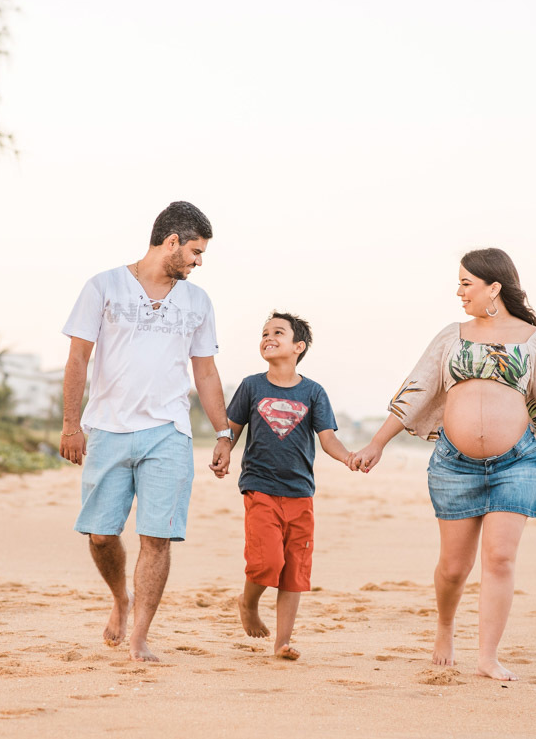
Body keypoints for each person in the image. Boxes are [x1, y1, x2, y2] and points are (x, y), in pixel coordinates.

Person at [349, 248, 536, 681]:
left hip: (516, 464)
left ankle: (487, 656)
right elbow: (416, 390)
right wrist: (377, 444)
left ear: (494, 287)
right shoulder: (451, 335)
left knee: (500, 559)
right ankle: (445, 625)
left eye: (466, 283)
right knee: (454, 568)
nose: (458, 292)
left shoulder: (535, 340)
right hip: (455, 465)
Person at [59, 201, 234, 663]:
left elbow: (207, 372)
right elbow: (78, 359)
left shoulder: (198, 301)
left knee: (157, 537)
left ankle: (140, 635)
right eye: (196, 251)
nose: (199, 262)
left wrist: (223, 433)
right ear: (171, 241)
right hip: (108, 429)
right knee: (100, 534)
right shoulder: (104, 286)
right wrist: (70, 424)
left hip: (169, 432)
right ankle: (120, 597)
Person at [214, 311, 354, 660]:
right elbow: (231, 428)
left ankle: (283, 642)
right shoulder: (252, 386)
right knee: (267, 562)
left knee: (294, 570)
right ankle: (248, 604)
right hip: (260, 487)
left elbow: (328, 440)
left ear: (298, 346)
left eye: (278, 332)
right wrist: (223, 450)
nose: (268, 337)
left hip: (301, 493)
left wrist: (349, 457)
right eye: (264, 333)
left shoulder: (313, 392)